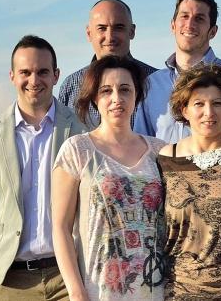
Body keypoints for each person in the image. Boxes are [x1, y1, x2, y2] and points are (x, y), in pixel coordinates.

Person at [0, 35, 87, 301]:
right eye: (25, 72)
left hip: (66, 278)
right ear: (12, 76)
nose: (34, 80)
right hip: (9, 282)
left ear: (56, 75)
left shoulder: (80, 130)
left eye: (42, 72)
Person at [52, 56, 166, 301]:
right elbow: (60, 227)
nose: (117, 98)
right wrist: (76, 292)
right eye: (106, 91)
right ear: (95, 97)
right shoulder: (77, 149)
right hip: (98, 292)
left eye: (125, 89)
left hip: (156, 291)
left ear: (137, 95)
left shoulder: (160, 151)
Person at [157, 64, 221, 300]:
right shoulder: (166, 159)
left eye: (217, 103)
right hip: (179, 290)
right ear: (185, 110)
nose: (209, 112)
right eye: (199, 104)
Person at [135, 0, 221, 141]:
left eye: (199, 19)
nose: (190, 24)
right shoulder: (152, 84)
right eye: (184, 16)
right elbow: (142, 144)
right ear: (173, 25)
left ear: (213, 32)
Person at [58, 0, 157, 126]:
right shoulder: (71, 86)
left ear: (132, 31)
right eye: (102, 28)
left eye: (118, 28)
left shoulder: (155, 81)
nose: (110, 37)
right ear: (89, 33)